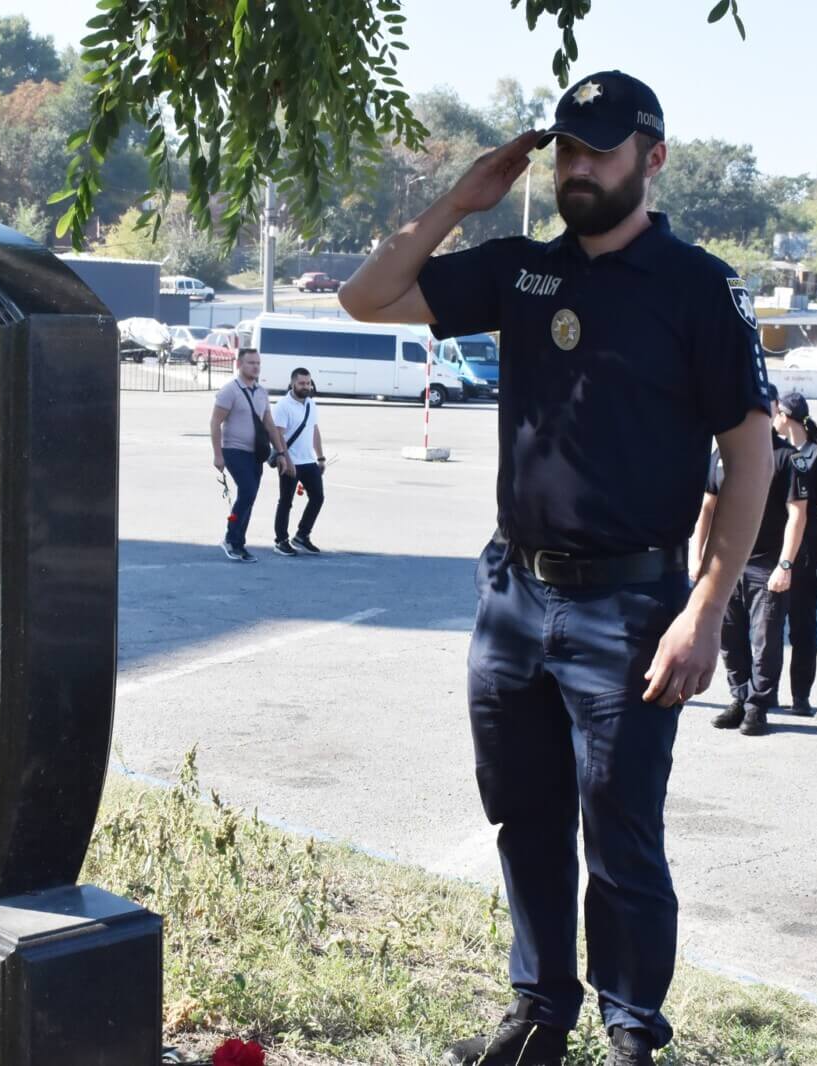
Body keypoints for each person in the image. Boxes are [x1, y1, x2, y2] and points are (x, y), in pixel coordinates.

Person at [339, 69, 773, 1066]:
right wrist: (460, 198)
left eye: (601, 150)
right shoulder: (521, 270)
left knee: (621, 838)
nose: (579, 167)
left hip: (629, 605)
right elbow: (367, 297)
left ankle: (631, 1036)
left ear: (651, 158)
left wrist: (704, 610)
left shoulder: (697, 288)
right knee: (522, 818)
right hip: (511, 596)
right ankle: (540, 1012)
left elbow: (750, 456)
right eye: (568, 150)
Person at [693, 385, 809, 736]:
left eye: (765, 405)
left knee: (765, 639)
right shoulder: (722, 454)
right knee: (729, 635)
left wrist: (785, 565)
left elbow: (797, 514)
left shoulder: (788, 457)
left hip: (765, 564)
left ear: (774, 411)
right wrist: (696, 558)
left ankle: (758, 705)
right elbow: (707, 508)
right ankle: (739, 696)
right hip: (726, 562)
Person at [773, 391, 817, 714]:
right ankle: (765, 692)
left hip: (808, 553)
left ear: (785, 416)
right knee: (768, 627)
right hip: (778, 549)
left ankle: (800, 696)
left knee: (802, 627)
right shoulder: (779, 453)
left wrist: (813, 535)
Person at [210, 348, 292, 562]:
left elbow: (269, 424)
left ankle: (239, 542)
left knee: (249, 497)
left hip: (256, 453)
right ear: (239, 365)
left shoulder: (261, 392)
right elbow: (215, 423)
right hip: (234, 450)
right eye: (250, 363)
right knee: (246, 492)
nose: (255, 366)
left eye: (258, 363)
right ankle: (231, 538)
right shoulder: (230, 391)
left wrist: (281, 452)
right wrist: (218, 455)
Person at [271, 367, 326, 556]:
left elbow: (314, 430)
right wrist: (286, 460)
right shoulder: (283, 405)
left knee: (318, 497)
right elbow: (277, 435)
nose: (306, 386)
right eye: (302, 383)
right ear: (293, 383)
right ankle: (281, 541)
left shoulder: (311, 404)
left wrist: (320, 457)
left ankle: (302, 536)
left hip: (309, 461)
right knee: (286, 502)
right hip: (289, 461)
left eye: (308, 383)